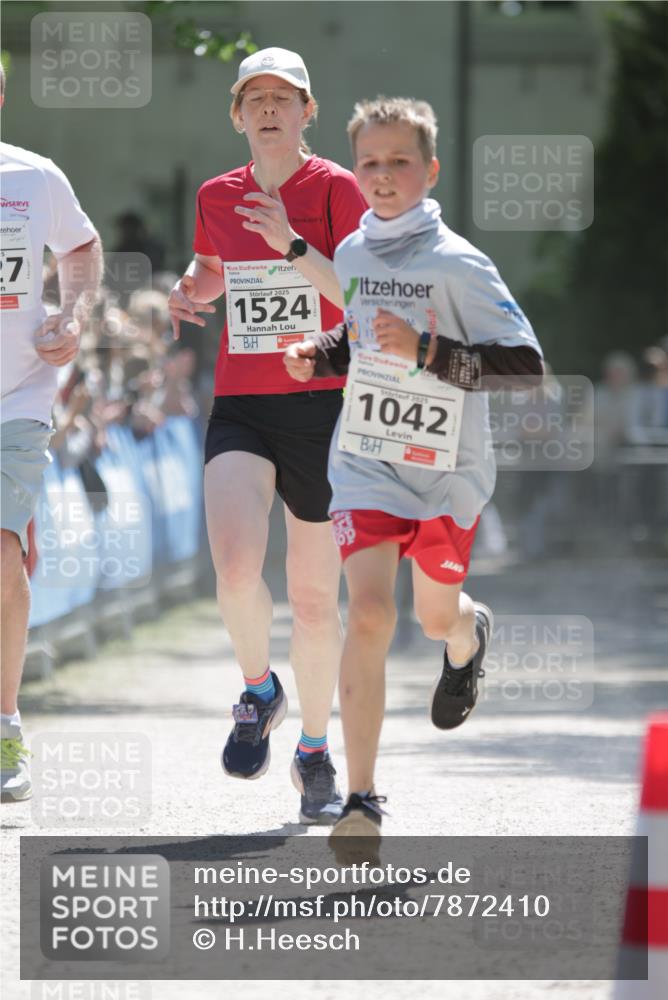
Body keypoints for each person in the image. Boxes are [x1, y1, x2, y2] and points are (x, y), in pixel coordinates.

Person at [284, 97, 543, 855]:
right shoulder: (356, 254)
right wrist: (324, 354)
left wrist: (429, 351)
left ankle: (467, 634)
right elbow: (365, 335)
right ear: (353, 169)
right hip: (365, 465)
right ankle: (361, 801)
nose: (384, 175)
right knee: (367, 613)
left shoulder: (460, 263)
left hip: (446, 474)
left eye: (400, 161)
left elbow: (525, 369)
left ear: (430, 171)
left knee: (433, 617)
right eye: (370, 162)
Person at [167, 48, 366, 824]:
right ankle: (259, 690)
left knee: (316, 602)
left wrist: (290, 240)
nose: (271, 109)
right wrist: (192, 286)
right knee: (235, 564)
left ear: (308, 110)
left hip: (322, 403)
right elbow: (216, 265)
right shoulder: (218, 194)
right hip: (244, 403)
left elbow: (358, 289)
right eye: (256, 98)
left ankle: (315, 751)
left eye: (285, 96)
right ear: (238, 114)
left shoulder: (338, 190)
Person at [0, 61, 103, 801]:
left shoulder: (33, 179)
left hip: (18, 394)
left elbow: (82, 248)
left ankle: (5, 724)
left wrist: (72, 315)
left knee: (3, 553)